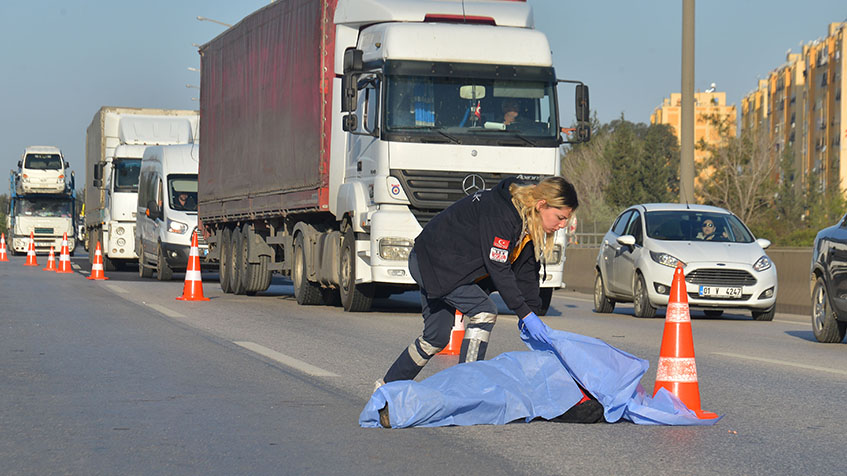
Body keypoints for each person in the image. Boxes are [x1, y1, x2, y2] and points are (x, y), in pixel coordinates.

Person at [376, 176, 579, 398]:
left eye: (565, 221)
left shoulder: (528, 225)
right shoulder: (503, 213)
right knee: (485, 311)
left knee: (435, 337)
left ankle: (385, 387)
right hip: (433, 261)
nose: (562, 225)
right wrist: (524, 313)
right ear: (542, 205)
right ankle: (466, 389)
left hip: (446, 267)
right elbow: (498, 267)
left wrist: (531, 314)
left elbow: (526, 272)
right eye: (560, 218)